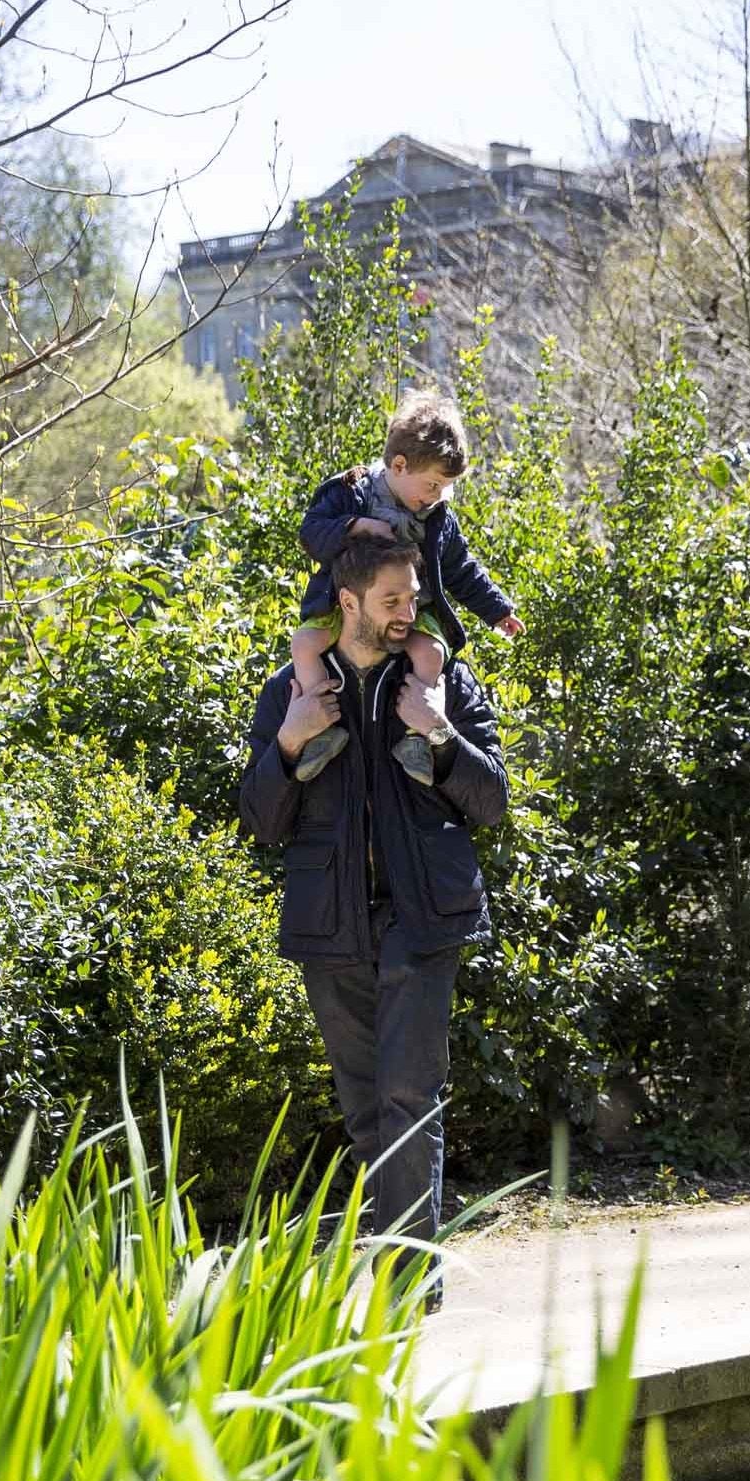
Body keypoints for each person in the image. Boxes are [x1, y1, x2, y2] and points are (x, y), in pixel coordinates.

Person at [239, 527, 511, 1303]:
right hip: (332, 926)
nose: (406, 613)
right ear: (348, 601)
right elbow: (260, 819)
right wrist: (289, 743)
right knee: (366, 1110)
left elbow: (492, 801)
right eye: (391, 599)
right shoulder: (291, 690)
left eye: (413, 599)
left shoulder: (441, 681)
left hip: (422, 920)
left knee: (408, 1099)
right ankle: (402, 1260)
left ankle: (408, 1283)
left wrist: (439, 731)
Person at [286, 389, 523, 788]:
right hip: (347, 609)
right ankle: (320, 728)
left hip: (417, 611)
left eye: (445, 488)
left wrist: (497, 610)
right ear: (398, 465)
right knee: (304, 644)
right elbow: (311, 532)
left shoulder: (438, 518)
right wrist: (355, 527)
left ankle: (416, 737)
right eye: (432, 485)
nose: (437, 496)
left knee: (431, 652)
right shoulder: (352, 492)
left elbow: (461, 569)